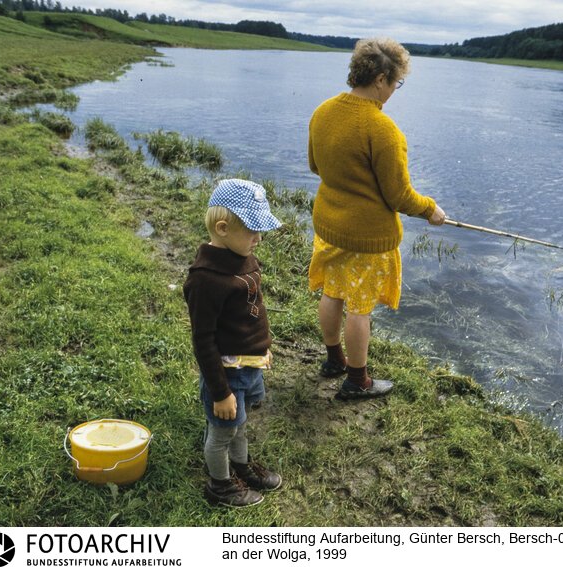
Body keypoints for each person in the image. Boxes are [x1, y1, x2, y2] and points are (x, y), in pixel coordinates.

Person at [307, 38, 446, 400]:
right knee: (360, 308)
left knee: (332, 292)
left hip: (328, 224)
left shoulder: (323, 111)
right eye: (396, 83)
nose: (394, 91)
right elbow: (399, 196)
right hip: (366, 237)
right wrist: (431, 209)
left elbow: (314, 166)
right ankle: (357, 380)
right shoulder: (383, 130)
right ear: (381, 79)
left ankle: (333, 359)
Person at [183, 178, 283, 507]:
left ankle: (240, 466)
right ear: (223, 228)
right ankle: (220, 485)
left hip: (250, 364)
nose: (259, 238)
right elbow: (203, 340)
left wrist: (261, 346)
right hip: (227, 374)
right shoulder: (206, 279)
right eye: (252, 230)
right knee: (222, 431)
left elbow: (250, 310)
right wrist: (220, 392)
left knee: (239, 426)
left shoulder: (242, 255)